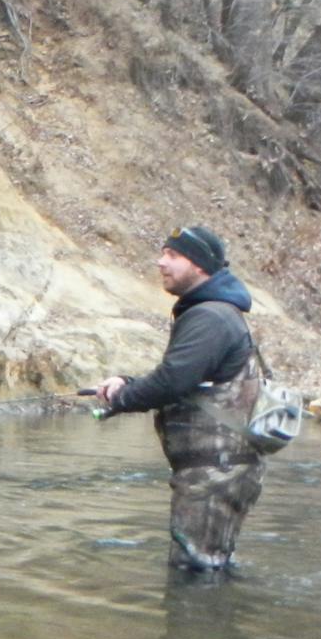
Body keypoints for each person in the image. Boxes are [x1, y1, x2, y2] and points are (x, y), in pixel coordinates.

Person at [90, 225, 263, 574]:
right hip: (216, 468)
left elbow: (172, 381)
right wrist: (128, 384)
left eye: (172, 255)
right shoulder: (215, 313)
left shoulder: (211, 317)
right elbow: (188, 380)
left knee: (196, 575)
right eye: (162, 253)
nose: (160, 262)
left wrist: (122, 398)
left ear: (199, 265)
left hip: (215, 471)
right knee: (206, 569)